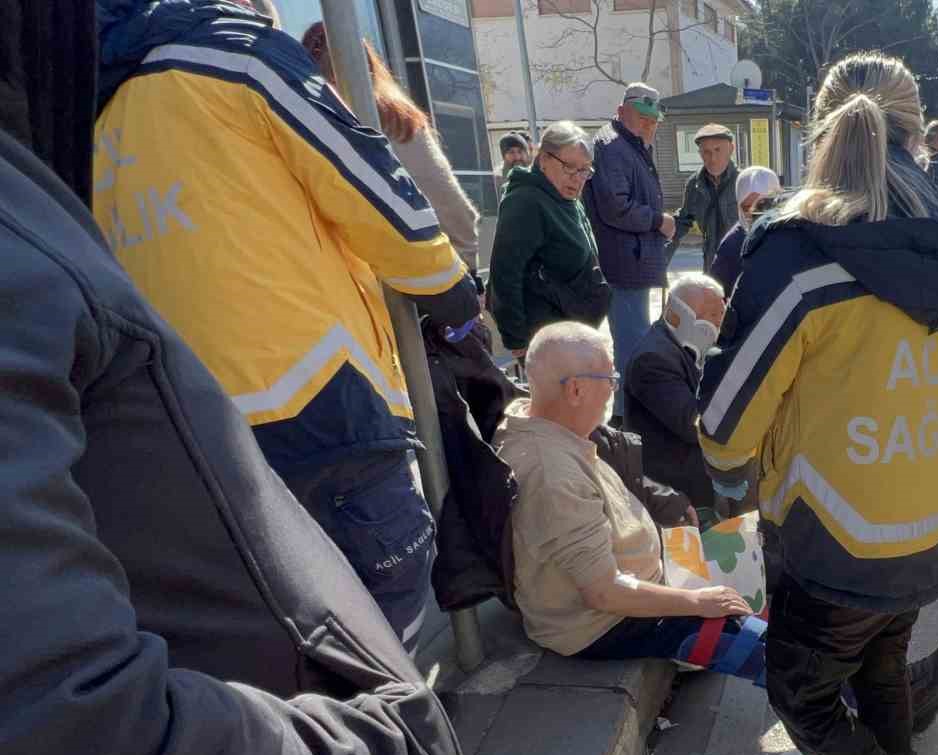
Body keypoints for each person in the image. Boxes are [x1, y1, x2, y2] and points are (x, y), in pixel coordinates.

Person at [0, 7, 473, 755]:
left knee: (268, 696)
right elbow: (405, 229)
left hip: (183, 453)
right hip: (322, 409)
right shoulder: (232, 52)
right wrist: (458, 301)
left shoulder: (77, 107)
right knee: (375, 679)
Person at [698, 51, 938, 755]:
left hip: (831, 528)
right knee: (877, 658)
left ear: (822, 128)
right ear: (916, 131)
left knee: (800, 690)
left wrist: (730, 476)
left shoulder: (799, 250)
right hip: (936, 523)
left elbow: (730, 415)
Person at [94, 0, 480, 650]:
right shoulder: (237, 51)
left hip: (185, 423)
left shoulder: (95, 111)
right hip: (317, 394)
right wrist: (451, 292)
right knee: (386, 605)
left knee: (271, 631)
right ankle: (394, 743)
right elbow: (374, 191)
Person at [497, 323, 938, 718]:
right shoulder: (551, 471)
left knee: (781, 580)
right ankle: (892, 705)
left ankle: (882, 684)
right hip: (605, 621)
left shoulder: (542, 424)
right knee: (774, 649)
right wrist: (696, 600)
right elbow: (603, 592)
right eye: (608, 379)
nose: (613, 389)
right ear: (575, 389)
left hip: (644, 576)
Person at [302, 22, 479, 272]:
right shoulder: (399, 121)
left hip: (344, 289)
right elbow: (454, 209)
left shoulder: (300, 126)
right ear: (370, 68)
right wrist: (466, 272)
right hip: (415, 281)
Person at [585, 82, 674, 417]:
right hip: (624, 265)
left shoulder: (627, 144)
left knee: (633, 345)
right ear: (622, 111)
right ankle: (629, 420)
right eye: (642, 117)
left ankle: (630, 417)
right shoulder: (613, 146)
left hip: (631, 262)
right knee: (632, 348)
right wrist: (658, 221)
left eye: (653, 120)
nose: (650, 125)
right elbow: (615, 206)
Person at [490, 120, 610, 358]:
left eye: (585, 169)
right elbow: (505, 273)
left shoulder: (566, 196)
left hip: (575, 328)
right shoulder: (525, 201)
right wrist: (516, 338)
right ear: (544, 159)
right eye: (570, 167)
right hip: (547, 338)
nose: (578, 178)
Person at [623, 274, 726, 509]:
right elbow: (694, 424)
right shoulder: (653, 360)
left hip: (690, 468)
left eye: (722, 315)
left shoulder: (675, 345)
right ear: (682, 315)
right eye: (713, 316)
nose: (719, 324)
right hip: (674, 480)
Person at [670, 122, 740, 274]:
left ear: (731, 149)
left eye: (718, 150)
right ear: (700, 153)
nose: (713, 158)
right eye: (706, 152)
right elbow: (683, 221)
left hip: (742, 263)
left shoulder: (745, 181)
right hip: (711, 264)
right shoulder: (694, 184)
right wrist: (662, 254)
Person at [708, 165, 782, 296]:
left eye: (763, 204)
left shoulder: (790, 231)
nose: (755, 213)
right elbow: (716, 295)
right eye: (747, 207)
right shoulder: (732, 245)